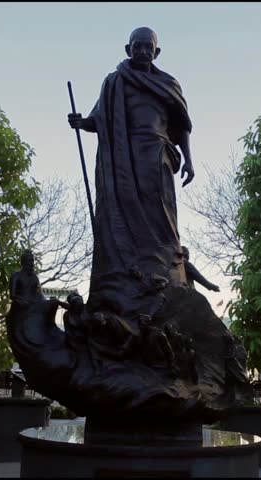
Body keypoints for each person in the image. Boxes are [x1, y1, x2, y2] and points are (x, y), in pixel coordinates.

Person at [68, 27, 195, 318]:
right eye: (136, 46)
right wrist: (81, 122)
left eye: (147, 47)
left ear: (156, 51)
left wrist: (188, 160)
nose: (141, 51)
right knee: (123, 209)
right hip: (123, 156)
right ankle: (128, 269)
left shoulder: (168, 84)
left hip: (157, 153)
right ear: (127, 49)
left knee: (160, 214)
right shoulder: (115, 83)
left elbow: (183, 126)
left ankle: (166, 269)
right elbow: (98, 119)